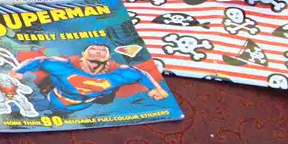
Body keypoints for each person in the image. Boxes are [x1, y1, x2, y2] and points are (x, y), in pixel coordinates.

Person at [10, 42, 170, 114]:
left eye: (103, 50)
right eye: (93, 48)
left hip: (79, 108)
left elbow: (141, 74)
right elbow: (39, 61)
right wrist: (19, 71)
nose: (98, 51)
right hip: (49, 99)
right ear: (83, 54)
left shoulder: (119, 74)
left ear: (108, 56)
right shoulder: (63, 66)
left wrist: (156, 88)